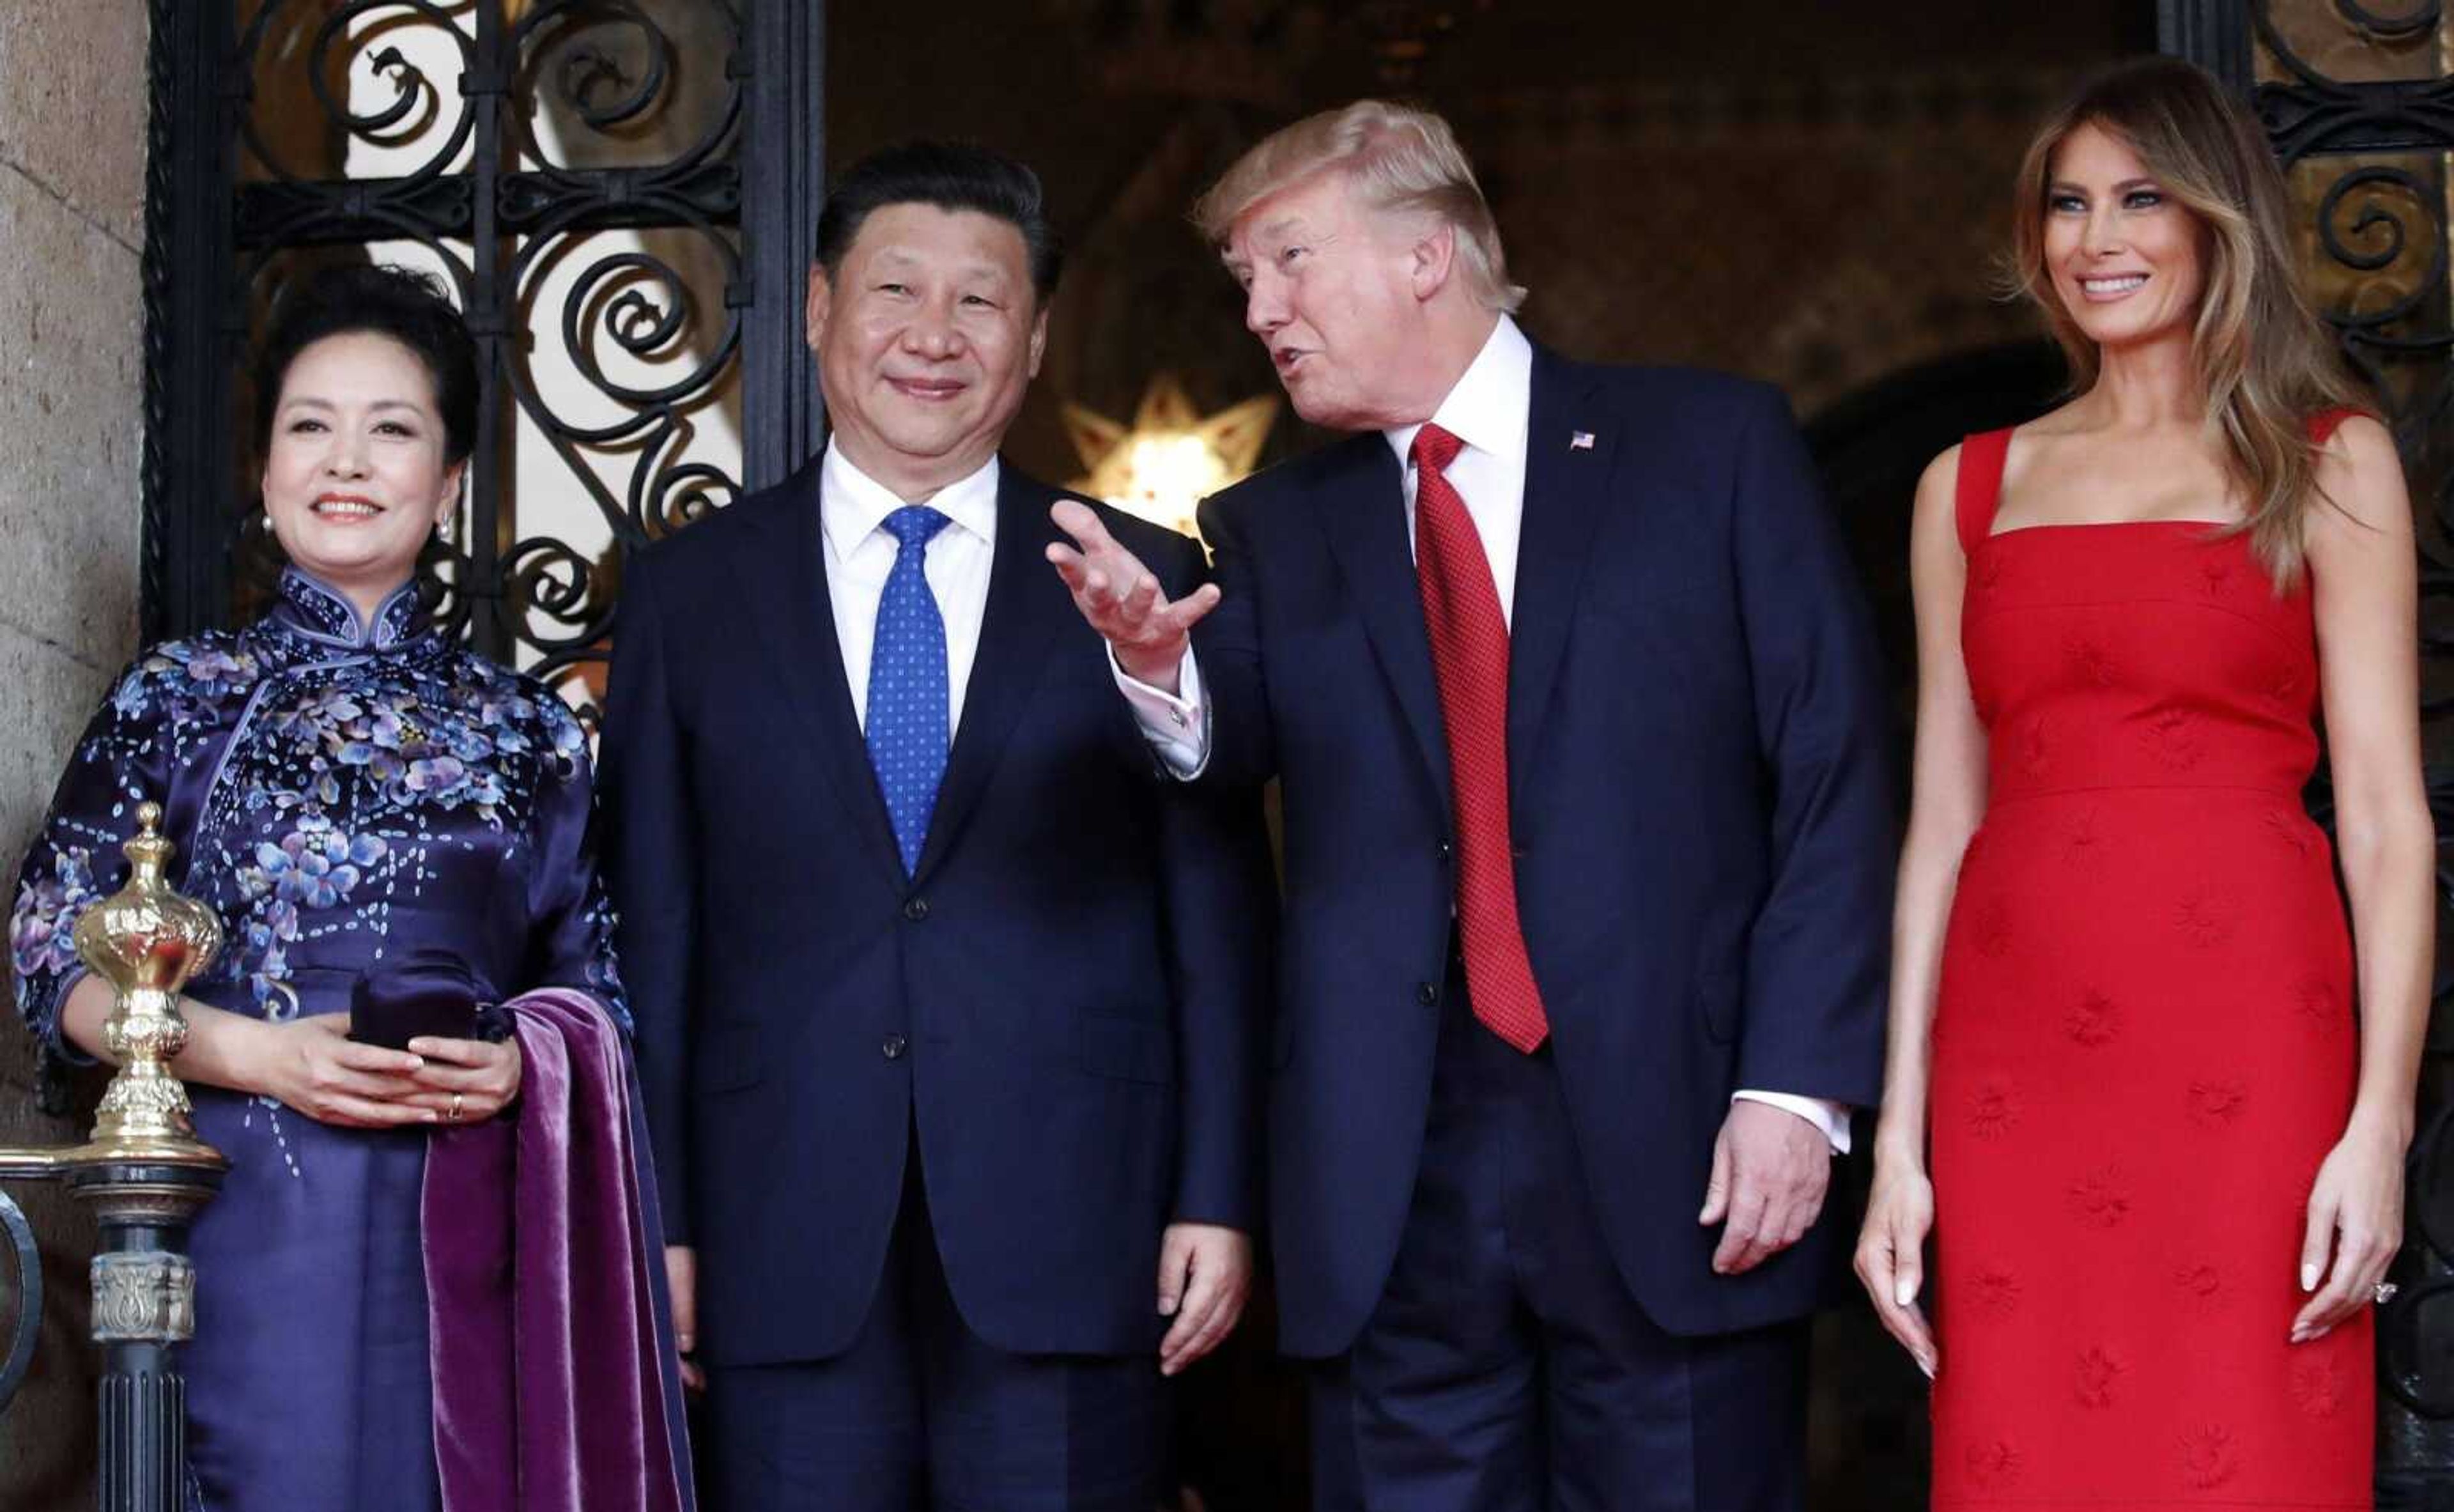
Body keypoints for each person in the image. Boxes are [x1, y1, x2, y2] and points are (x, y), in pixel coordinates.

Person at [1049, 101, 1896, 1509]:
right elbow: (1220, 744)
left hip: (1688, 1143)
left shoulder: (1710, 448)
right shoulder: (1273, 526)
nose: (1261, 310)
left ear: (1427, 257)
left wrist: (1796, 1090)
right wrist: (1155, 666)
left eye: (1288, 262)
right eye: (1246, 280)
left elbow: (1833, 772)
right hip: (1392, 1182)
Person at [598, 142, 1270, 1512]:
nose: (934, 334)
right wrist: (654, 1219)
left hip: (1080, 1222)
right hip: (775, 1226)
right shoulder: (688, 596)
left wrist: (1216, 1189)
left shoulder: (1151, 581)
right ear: (819, 310)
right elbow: (652, 924)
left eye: (981, 301)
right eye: (897, 288)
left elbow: (1218, 911)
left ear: (1032, 345)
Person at [6, 264, 688, 1512]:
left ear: (452, 479)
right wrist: (259, 1056)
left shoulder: (529, 729)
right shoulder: (182, 691)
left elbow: (601, 993)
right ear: (264, 472)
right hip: (236, 1218)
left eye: (393, 429)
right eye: (310, 425)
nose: (347, 460)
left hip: (469, 1221)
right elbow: (52, 957)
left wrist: (527, 1064)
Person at [1853, 56, 2428, 1505]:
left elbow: (2383, 821)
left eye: (2136, 199)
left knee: (2252, 1446)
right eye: (2067, 205)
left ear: (2218, 219)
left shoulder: (2331, 464)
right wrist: (1898, 1149)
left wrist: (2381, 1123)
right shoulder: (1965, 487)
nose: (2093, 239)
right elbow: (1939, 831)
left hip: (2255, 1046)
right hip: (2014, 1065)